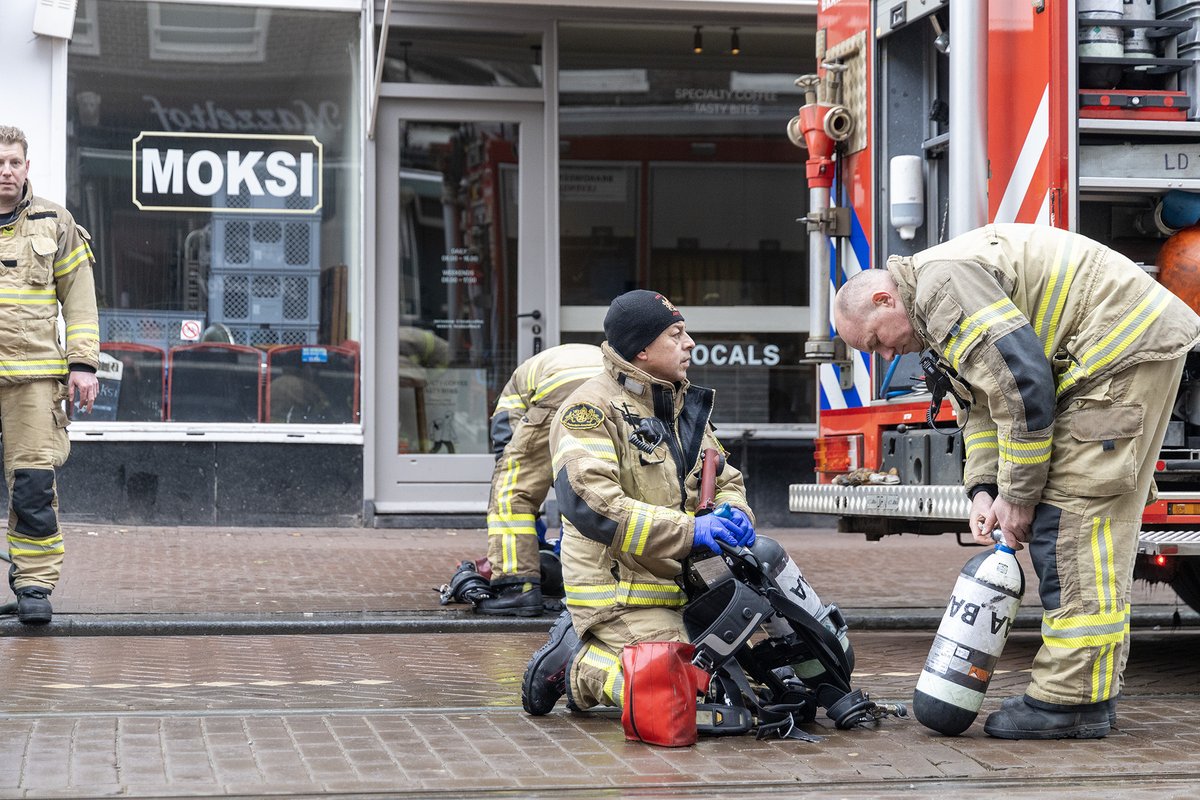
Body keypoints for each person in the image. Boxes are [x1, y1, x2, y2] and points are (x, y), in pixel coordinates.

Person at [833, 222, 1200, 740]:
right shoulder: (932, 301)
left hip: (1117, 353)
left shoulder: (942, 289)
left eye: (877, 342)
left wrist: (1019, 498)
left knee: (1073, 528)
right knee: (1081, 534)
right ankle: (1087, 695)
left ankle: (1069, 704)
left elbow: (1024, 384)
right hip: (1115, 353)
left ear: (883, 299)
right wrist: (984, 490)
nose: (887, 356)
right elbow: (984, 405)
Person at [521, 289, 755, 716]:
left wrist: (735, 511)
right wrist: (692, 531)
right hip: (621, 597)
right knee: (678, 698)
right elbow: (593, 506)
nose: (690, 343)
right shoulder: (589, 410)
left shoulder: (681, 405)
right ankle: (578, 663)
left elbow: (725, 477)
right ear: (642, 350)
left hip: (685, 592)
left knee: (750, 688)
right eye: (676, 334)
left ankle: (613, 654)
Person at [0, 125, 100, 625]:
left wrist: (82, 364)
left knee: (34, 485)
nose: (5, 170)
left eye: (14, 162)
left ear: (26, 167)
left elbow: (79, 300)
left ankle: (35, 585)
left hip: (35, 380)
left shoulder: (55, 222)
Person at [476, 343, 604, 616]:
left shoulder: (510, 396)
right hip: (610, 386)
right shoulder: (547, 364)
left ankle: (517, 587)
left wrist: (529, 510)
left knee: (512, 491)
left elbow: (508, 451)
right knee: (600, 488)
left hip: (560, 387)